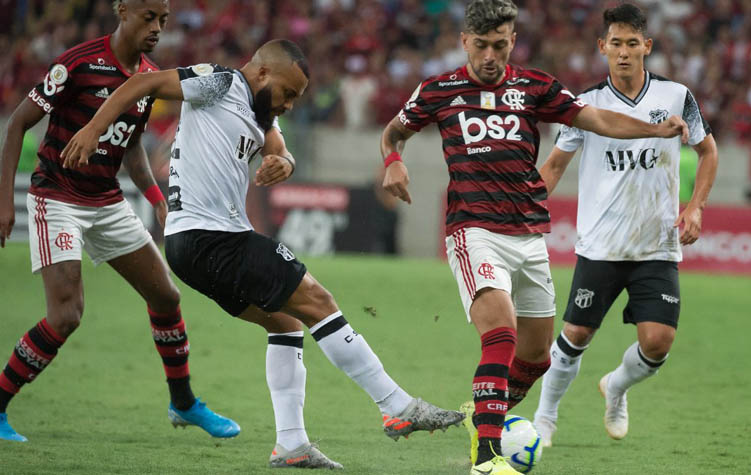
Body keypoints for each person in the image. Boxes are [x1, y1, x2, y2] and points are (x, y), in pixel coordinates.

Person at [60, 39, 465, 469]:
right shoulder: (219, 83)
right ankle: (397, 407)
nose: (290, 104)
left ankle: (291, 445)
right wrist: (92, 129)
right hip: (211, 237)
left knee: (287, 323)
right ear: (264, 74)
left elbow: (279, 148)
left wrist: (284, 164)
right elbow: (141, 83)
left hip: (194, 246)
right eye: (288, 93)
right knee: (320, 302)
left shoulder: (260, 114)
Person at [378, 1, 689, 473]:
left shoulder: (535, 87)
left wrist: (653, 130)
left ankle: (479, 415)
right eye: (480, 46)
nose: (489, 56)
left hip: (527, 234)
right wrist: (392, 161)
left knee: (537, 356)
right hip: (474, 229)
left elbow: (597, 119)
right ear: (465, 42)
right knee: (500, 334)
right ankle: (486, 457)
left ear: (512, 42)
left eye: (499, 46)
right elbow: (394, 132)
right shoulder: (439, 90)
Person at [0, 0, 238, 443]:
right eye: (148, 17)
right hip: (57, 197)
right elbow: (17, 124)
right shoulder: (77, 63)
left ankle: (183, 403)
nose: (157, 28)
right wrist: (3, 202)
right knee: (66, 316)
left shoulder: (149, 77)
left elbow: (129, 147)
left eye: (163, 20)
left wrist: (156, 198)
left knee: (166, 296)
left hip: (106, 201)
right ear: (122, 11)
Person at [532, 3, 718, 446]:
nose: (623, 52)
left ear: (646, 47)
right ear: (602, 47)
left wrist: (695, 207)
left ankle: (616, 387)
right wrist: (522, 205)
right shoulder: (587, 106)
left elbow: (708, 151)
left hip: (656, 244)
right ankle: (546, 417)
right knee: (576, 333)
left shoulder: (676, 97)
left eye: (632, 43)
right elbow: (556, 164)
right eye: (615, 43)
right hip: (601, 245)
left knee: (658, 342)